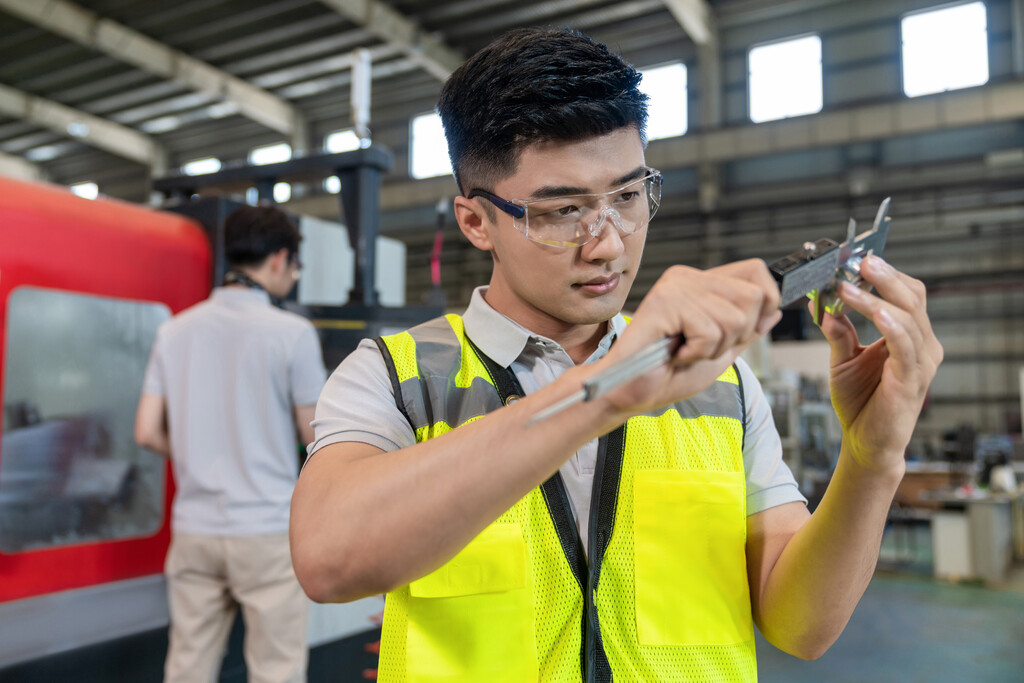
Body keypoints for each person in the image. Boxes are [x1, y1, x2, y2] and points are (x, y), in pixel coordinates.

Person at [290, 27, 942, 681]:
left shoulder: (722, 385)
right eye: (563, 211)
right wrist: (607, 388)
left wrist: (872, 460)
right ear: (475, 221)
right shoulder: (399, 377)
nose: (607, 245)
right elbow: (329, 558)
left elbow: (801, 626)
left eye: (628, 197)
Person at [136, 204, 326, 683]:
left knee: (187, 666)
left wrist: (194, 455)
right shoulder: (292, 334)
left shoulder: (173, 330)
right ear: (280, 260)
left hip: (195, 528)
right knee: (275, 670)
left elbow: (145, 431)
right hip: (265, 529)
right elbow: (316, 435)